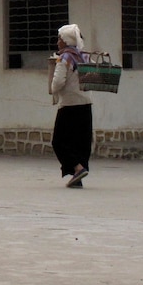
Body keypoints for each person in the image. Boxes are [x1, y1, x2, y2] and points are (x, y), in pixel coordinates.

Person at [50, 23, 92, 188]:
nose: (58, 42)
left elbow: (58, 82)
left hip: (69, 105)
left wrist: (53, 89)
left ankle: (77, 168)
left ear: (66, 40)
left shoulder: (64, 58)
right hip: (85, 104)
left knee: (59, 141)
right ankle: (78, 176)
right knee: (79, 142)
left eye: (60, 38)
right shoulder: (85, 57)